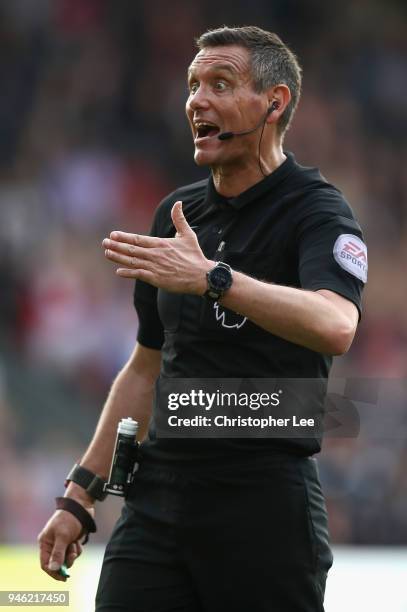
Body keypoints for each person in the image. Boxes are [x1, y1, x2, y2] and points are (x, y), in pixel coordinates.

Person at [38, 26, 367, 611]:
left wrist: (215, 280)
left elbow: (336, 324)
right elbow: (144, 367)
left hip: (264, 500)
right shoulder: (176, 214)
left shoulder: (317, 211)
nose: (197, 101)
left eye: (220, 83)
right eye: (193, 85)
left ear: (275, 102)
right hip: (159, 498)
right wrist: (79, 495)